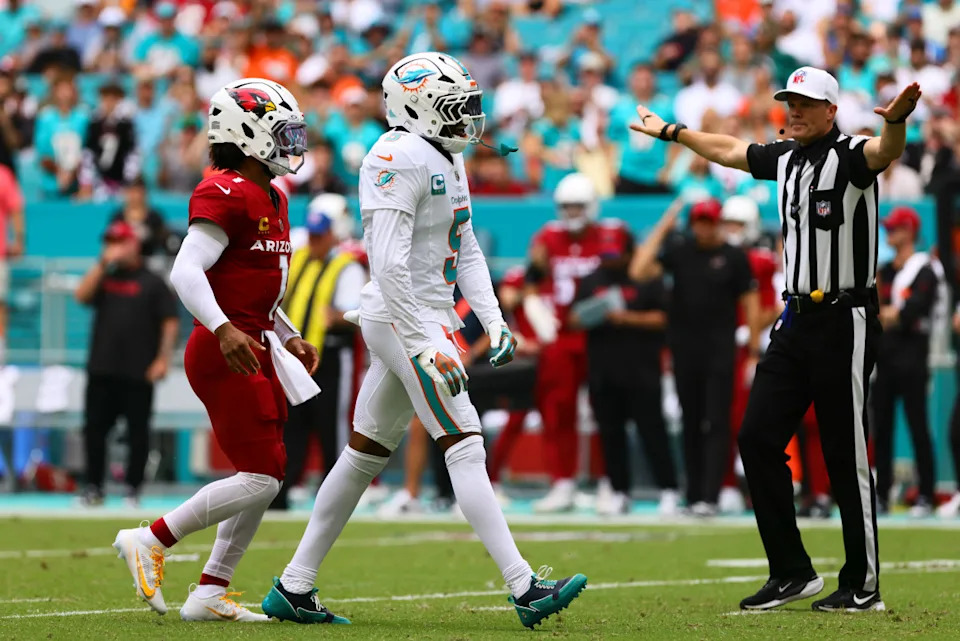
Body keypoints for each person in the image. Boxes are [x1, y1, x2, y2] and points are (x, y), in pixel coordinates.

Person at [259, 52, 587, 629]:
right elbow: (386, 266)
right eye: (457, 108)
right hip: (403, 318)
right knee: (464, 442)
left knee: (363, 455)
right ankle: (523, 586)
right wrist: (424, 342)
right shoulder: (394, 156)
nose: (469, 119)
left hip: (422, 317)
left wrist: (494, 319)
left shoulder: (445, 153)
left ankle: (293, 584)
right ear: (419, 107)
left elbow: (467, 246)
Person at [629, 65, 920, 611]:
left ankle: (863, 584)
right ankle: (791, 571)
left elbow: (886, 152)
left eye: (806, 103)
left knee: (844, 454)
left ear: (831, 110)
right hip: (794, 318)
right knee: (757, 438)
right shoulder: (785, 158)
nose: (794, 111)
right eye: (790, 101)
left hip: (845, 316)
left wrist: (900, 121)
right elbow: (729, 149)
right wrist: (672, 132)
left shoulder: (852, 154)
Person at [112, 78, 315, 623]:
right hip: (225, 348)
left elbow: (256, 285)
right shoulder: (224, 189)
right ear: (247, 134)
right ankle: (151, 538)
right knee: (264, 476)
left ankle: (209, 592)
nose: (292, 144)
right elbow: (186, 270)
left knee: (264, 471)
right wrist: (225, 329)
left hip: (254, 341)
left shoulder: (273, 193)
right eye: (282, 132)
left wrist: (289, 333)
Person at [630, 199, 760, 517]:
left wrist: (754, 350)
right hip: (685, 349)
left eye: (708, 221)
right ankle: (694, 494)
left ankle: (711, 496)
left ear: (717, 222)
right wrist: (664, 225)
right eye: (698, 221)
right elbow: (639, 270)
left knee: (716, 421)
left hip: (720, 350)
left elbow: (751, 301)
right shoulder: (681, 251)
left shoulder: (733, 256)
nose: (703, 227)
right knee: (689, 421)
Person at [524, 173, 631, 513]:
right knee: (558, 411)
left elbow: (630, 275)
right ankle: (563, 481)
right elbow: (531, 283)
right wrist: (538, 315)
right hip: (561, 337)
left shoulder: (612, 234)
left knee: (607, 412)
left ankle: (607, 481)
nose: (572, 212)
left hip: (601, 337)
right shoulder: (546, 237)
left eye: (578, 206)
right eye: (566, 206)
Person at [571, 233, 680, 516]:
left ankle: (668, 489)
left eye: (615, 254)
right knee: (610, 434)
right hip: (603, 371)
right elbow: (572, 318)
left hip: (641, 370)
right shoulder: (593, 279)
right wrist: (594, 313)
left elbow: (664, 318)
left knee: (652, 431)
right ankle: (619, 491)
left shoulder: (645, 277)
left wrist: (626, 319)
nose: (610, 260)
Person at [269, 195, 366, 510]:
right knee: (291, 425)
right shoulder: (300, 261)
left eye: (319, 235)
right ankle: (282, 492)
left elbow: (356, 313)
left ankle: (335, 496)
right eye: (310, 235)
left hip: (330, 358)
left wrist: (335, 316)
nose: (313, 241)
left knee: (331, 428)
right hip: (294, 359)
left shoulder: (345, 266)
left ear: (331, 235)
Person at [74, 221, 178, 507]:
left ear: (133, 244)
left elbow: (170, 322)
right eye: (110, 242)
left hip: (137, 371)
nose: (113, 247)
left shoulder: (152, 281)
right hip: (102, 368)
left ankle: (132, 489)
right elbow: (81, 296)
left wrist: (162, 359)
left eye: (118, 242)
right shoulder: (104, 277)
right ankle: (93, 487)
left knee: (137, 433)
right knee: (94, 431)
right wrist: (101, 263)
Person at [873, 206, 944, 517]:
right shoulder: (885, 270)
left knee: (918, 427)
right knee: (882, 428)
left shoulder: (924, 269)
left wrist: (891, 315)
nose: (890, 234)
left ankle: (926, 493)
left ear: (910, 231)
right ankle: (882, 493)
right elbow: (876, 311)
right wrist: (890, 315)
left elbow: (909, 312)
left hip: (913, 356)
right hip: (886, 356)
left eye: (895, 229)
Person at [0, 164, 23, 364]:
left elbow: (15, 208)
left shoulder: (3, 175)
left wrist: (19, 240)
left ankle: (0, 351)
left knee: (0, 303)